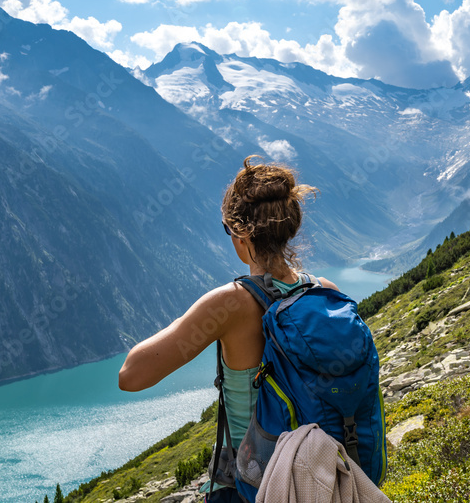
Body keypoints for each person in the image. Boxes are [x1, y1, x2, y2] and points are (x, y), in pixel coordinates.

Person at [118, 155, 338, 501]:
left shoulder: (230, 304)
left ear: (239, 234)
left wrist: (186, 322)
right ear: (290, 228)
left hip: (255, 488)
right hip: (319, 479)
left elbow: (130, 375)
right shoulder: (324, 291)